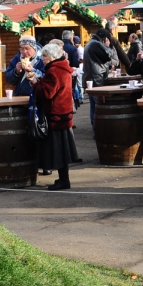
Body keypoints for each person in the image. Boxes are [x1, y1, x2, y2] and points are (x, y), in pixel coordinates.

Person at [34, 42, 79, 190]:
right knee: (63, 149)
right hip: (64, 113)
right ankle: (63, 179)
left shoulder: (54, 71)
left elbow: (47, 93)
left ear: (53, 57)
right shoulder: (63, 68)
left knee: (58, 150)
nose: (43, 59)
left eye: (45, 56)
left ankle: (64, 181)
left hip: (56, 115)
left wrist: (35, 83)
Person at [82, 29, 114, 126]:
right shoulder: (96, 44)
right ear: (104, 38)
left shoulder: (90, 43)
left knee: (93, 107)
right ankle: (99, 130)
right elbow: (107, 57)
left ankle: (95, 129)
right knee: (99, 107)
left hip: (90, 78)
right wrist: (108, 47)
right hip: (97, 79)